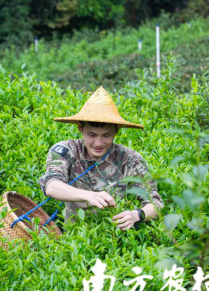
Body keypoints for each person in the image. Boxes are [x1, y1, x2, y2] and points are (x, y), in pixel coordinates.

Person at [39, 86, 164, 230]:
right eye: (91, 135)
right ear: (80, 128)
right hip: (74, 238)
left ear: (116, 131)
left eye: (106, 135)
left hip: (114, 237)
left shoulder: (130, 159)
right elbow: (51, 185)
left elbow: (155, 204)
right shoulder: (67, 151)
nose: (98, 143)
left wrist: (137, 215)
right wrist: (89, 196)